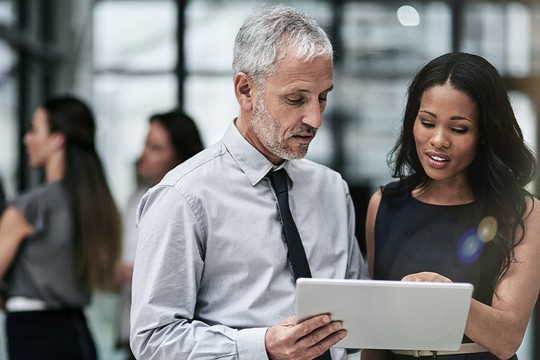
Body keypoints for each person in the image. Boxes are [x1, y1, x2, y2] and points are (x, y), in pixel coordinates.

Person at [130, 4, 365, 359]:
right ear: (245, 91)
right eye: (296, 99)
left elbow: (356, 319)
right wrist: (262, 347)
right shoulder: (183, 197)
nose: (315, 118)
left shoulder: (332, 190)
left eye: (323, 97)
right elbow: (153, 338)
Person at [364, 52, 540, 360]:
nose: (438, 140)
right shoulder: (383, 205)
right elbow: (376, 338)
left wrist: (447, 297)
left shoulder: (524, 213)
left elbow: (507, 338)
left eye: (459, 129)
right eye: (428, 123)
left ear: (485, 134)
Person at [0, 95, 122, 360]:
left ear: (58, 139)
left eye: (34, 129)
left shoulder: (31, 206)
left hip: (35, 337)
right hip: (77, 334)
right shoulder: (92, 204)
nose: (26, 139)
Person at [115, 110, 204, 359]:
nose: (143, 155)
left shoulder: (193, 204)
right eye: (145, 145)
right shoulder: (135, 199)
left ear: (179, 156)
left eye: (155, 148)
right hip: (136, 334)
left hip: (180, 339)